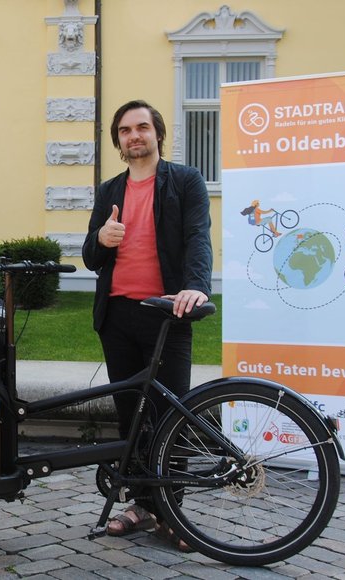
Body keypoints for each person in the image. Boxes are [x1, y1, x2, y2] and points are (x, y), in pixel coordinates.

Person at [82, 100, 212, 551]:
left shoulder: (185, 181)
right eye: (125, 130)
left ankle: (172, 513)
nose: (134, 136)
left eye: (142, 127)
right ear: (118, 140)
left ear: (157, 132)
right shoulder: (110, 190)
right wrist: (101, 238)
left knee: (171, 413)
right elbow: (90, 257)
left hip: (166, 313)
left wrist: (196, 286)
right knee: (130, 414)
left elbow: (198, 235)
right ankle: (140, 505)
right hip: (117, 315)